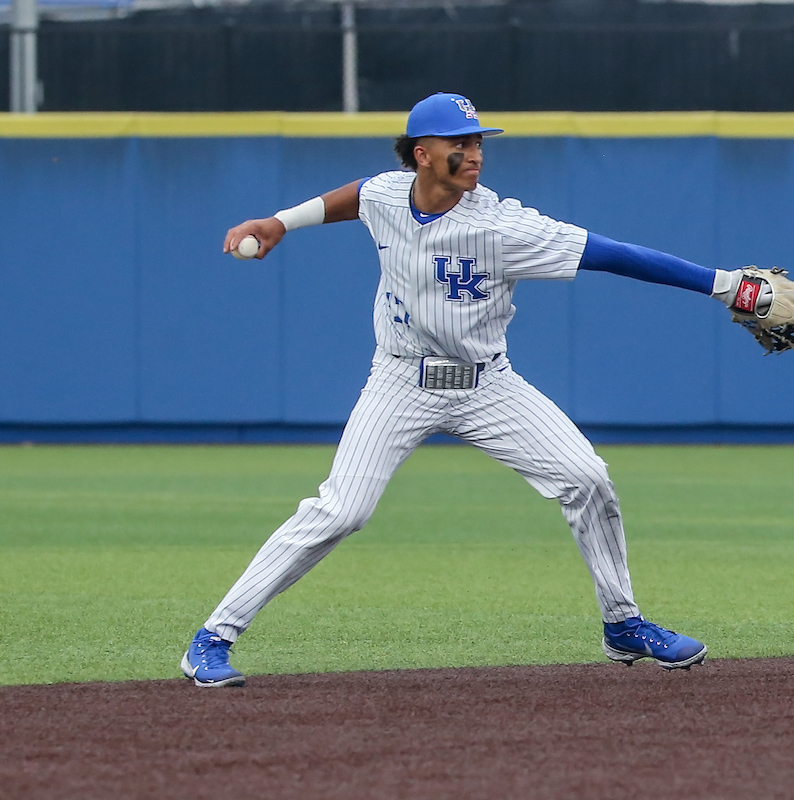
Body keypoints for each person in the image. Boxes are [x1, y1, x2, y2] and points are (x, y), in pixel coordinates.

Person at [181, 92, 763, 687]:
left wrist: (720, 284)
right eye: (461, 143)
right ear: (423, 155)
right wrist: (279, 221)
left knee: (586, 478)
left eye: (479, 141)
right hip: (399, 380)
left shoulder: (504, 226)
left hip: (489, 385)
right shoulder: (388, 193)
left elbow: (613, 255)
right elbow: (357, 195)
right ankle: (214, 637)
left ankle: (623, 623)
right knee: (341, 510)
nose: (475, 153)